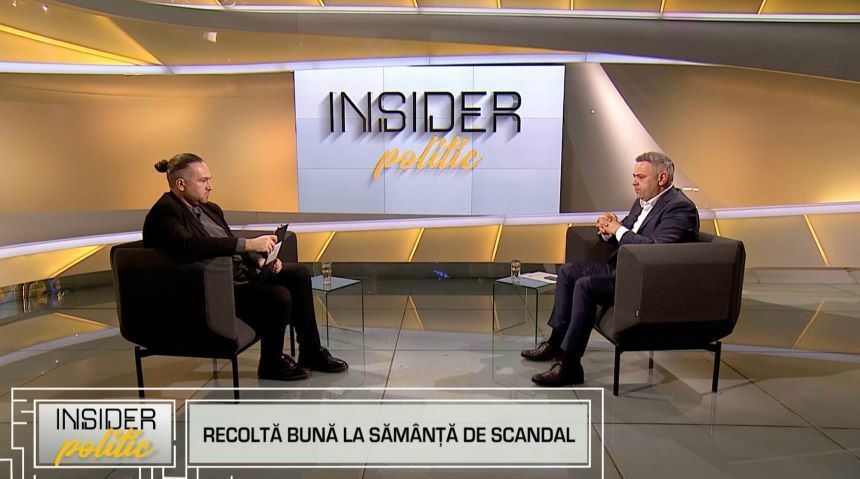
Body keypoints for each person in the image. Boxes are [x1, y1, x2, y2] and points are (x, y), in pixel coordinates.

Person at [143, 153, 348, 381]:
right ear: (181, 184)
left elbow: (228, 246)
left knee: (298, 274)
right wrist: (248, 244)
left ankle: (310, 351)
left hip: (238, 276)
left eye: (209, 180)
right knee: (278, 296)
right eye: (203, 181)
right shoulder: (164, 213)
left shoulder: (210, 209)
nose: (210, 186)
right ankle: (271, 363)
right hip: (212, 289)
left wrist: (259, 260)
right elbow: (189, 245)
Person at [523, 152, 699, 387]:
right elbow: (627, 233)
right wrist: (608, 230)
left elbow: (656, 251)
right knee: (568, 271)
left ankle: (570, 365)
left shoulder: (680, 208)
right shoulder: (642, 202)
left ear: (662, 178)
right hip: (624, 270)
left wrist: (618, 229)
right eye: (634, 176)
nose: (634, 182)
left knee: (586, 285)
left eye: (640, 177)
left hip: (647, 282)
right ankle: (555, 343)